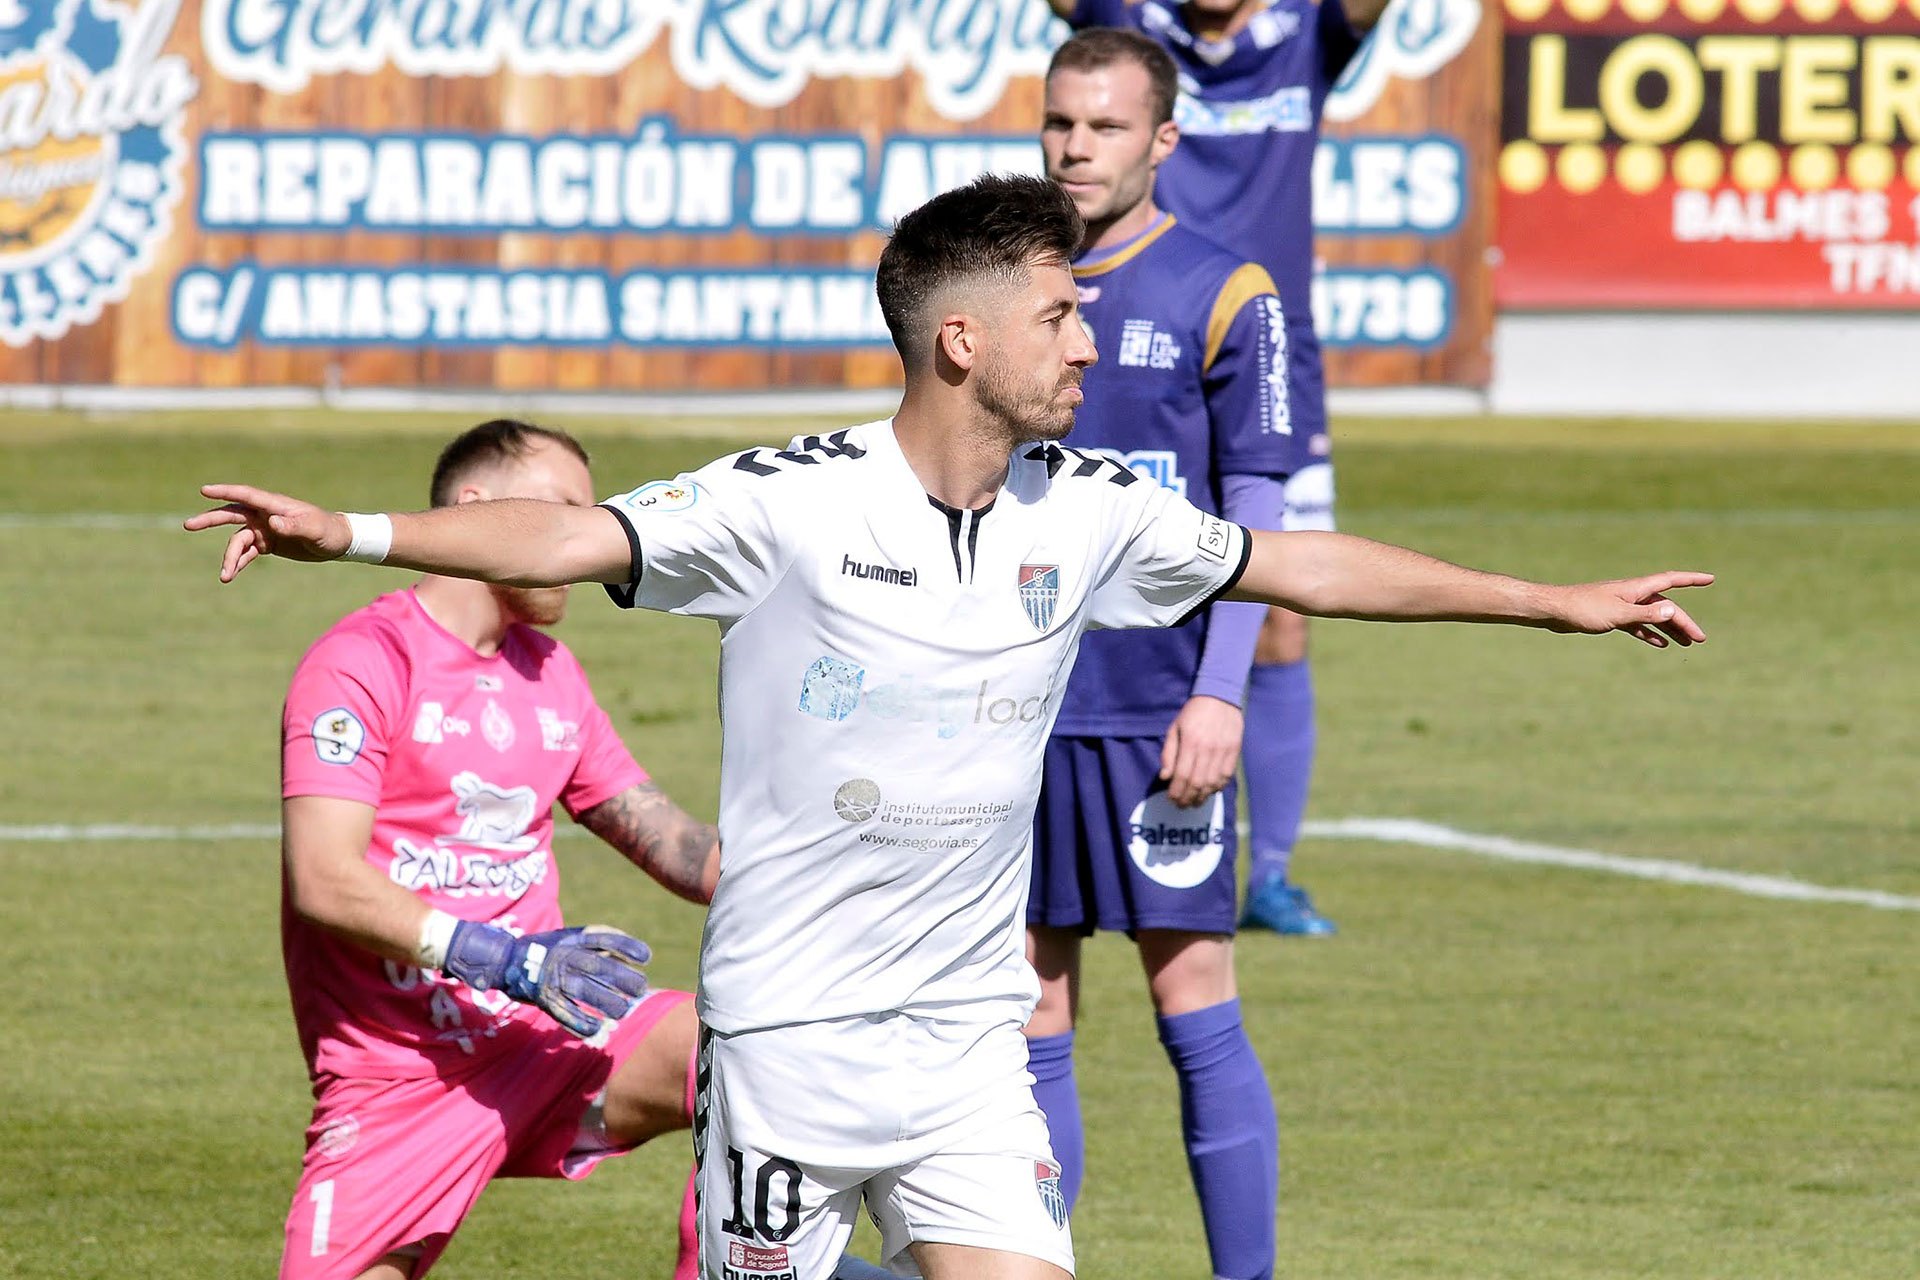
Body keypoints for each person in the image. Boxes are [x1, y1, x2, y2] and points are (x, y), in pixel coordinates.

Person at [190, 174, 1710, 1280]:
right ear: (964, 341)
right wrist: (355, 530)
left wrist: (1545, 601)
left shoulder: (1095, 510)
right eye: (1061, 315)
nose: (1089, 342)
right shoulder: (786, 501)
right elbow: (568, 539)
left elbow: (1298, 562)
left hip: (972, 1045)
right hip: (783, 1048)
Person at [270, 419, 720, 1280]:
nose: (585, 546)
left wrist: (853, 881)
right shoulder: (363, 661)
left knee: (748, 1057)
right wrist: (505, 959)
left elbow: (676, 843)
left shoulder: (549, 671)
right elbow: (323, 880)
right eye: (565, 511)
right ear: (478, 509)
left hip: (549, 1044)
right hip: (403, 1079)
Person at [1026, 28, 1299, 1279]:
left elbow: (1258, 511)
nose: (1077, 147)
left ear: (1164, 139)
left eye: (1107, 125)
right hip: (1018, 709)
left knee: (1195, 1002)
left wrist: (1221, 692)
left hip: (1158, 715)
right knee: (1027, 1016)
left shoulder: (1226, 290)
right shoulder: (1001, 286)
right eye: (1061, 121)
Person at [1051, 0, 1396, 934]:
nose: (1079, 141)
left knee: (1281, 612)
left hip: (1265, 355)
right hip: (1122, 332)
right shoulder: (1127, 22)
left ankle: (1270, 874)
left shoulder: (1309, 32)